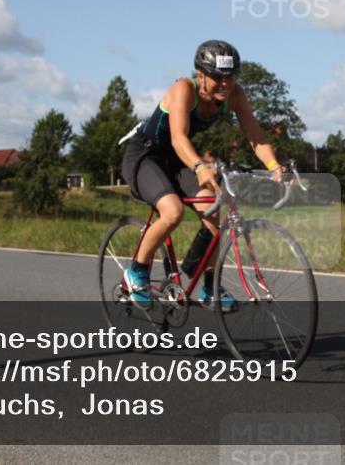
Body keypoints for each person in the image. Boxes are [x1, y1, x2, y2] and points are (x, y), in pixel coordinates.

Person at [120, 40, 285, 310]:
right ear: (200, 75)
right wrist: (199, 166)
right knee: (173, 212)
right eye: (218, 77)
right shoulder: (184, 89)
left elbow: (255, 135)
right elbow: (178, 137)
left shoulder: (235, 94)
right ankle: (136, 271)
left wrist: (273, 165)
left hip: (177, 160)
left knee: (213, 209)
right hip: (145, 156)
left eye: (231, 77)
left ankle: (208, 287)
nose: (226, 83)